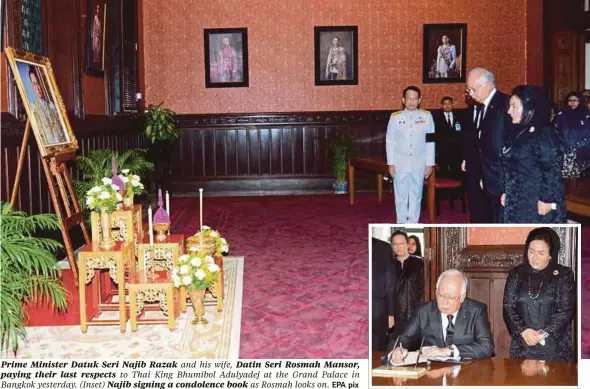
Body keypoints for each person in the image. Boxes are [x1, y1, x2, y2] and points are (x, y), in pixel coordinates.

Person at [387, 269, 494, 360]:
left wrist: (449, 351)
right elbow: (403, 339)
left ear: (462, 297)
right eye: (441, 295)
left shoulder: (476, 311)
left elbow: (486, 347)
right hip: (433, 375)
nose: (445, 301)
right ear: (436, 291)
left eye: (451, 298)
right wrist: (397, 350)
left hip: (467, 372)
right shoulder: (423, 312)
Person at [503, 227, 575, 362]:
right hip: (523, 344)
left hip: (554, 346)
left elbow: (565, 311)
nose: (534, 257)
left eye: (541, 253)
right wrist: (524, 331)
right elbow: (508, 306)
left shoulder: (563, 274)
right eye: (531, 251)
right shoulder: (517, 273)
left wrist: (542, 334)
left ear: (551, 254)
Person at [501, 85, 566, 223]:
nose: (509, 111)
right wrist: (506, 192)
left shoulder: (545, 133)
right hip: (517, 200)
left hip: (536, 201)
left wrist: (546, 199)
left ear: (529, 109)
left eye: (514, 106)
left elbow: (552, 169)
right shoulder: (517, 132)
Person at [463, 67, 511, 223]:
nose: (469, 92)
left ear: (486, 85)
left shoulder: (505, 104)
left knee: (497, 219)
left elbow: (508, 144)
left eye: (472, 88)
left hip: (498, 176)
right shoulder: (482, 106)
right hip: (481, 171)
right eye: (468, 89)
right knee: (480, 215)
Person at [386, 86, 435, 223]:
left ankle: (413, 223)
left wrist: (429, 164)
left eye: (415, 99)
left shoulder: (427, 117)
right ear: (403, 100)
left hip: (419, 163)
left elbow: (430, 142)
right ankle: (401, 223)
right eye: (409, 99)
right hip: (400, 163)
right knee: (400, 196)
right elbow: (390, 141)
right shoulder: (395, 118)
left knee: (416, 194)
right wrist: (390, 163)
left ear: (419, 100)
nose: (412, 102)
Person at [389, 230, 424, 340]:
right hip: (394, 316)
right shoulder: (389, 265)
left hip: (414, 314)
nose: (398, 247)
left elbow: (423, 290)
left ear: (407, 243)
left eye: (401, 243)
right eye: (395, 244)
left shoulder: (419, 263)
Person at [27, 66, 65, 146]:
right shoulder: (32, 108)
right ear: (32, 85)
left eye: (39, 83)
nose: (38, 88)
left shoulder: (52, 105)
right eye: (34, 84)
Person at [372, 237, 397, 351]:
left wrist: (391, 313)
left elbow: (390, 283)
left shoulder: (383, 248)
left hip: (377, 310)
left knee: (377, 348)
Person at [434, 96, 463, 178]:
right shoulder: (436, 118)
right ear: (441, 106)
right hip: (443, 151)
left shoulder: (459, 117)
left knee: (457, 174)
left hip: (456, 151)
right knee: (443, 174)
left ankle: (456, 191)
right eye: (445, 104)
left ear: (452, 105)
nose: (447, 106)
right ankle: (444, 191)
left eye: (449, 103)